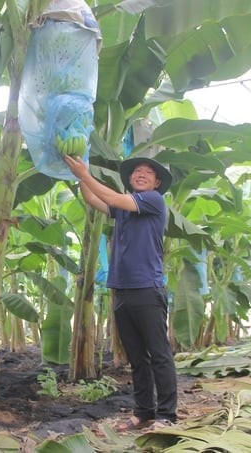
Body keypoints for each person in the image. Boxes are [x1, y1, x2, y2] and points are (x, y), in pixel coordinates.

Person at [64, 154, 178, 430]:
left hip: (147, 289)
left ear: (156, 182)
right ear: (129, 178)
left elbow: (113, 199)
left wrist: (85, 174)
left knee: (158, 354)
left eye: (147, 173)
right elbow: (94, 200)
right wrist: (79, 174)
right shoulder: (126, 208)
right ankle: (143, 412)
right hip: (122, 289)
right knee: (137, 357)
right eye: (137, 171)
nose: (141, 175)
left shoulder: (153, 200)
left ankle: (167, 416)